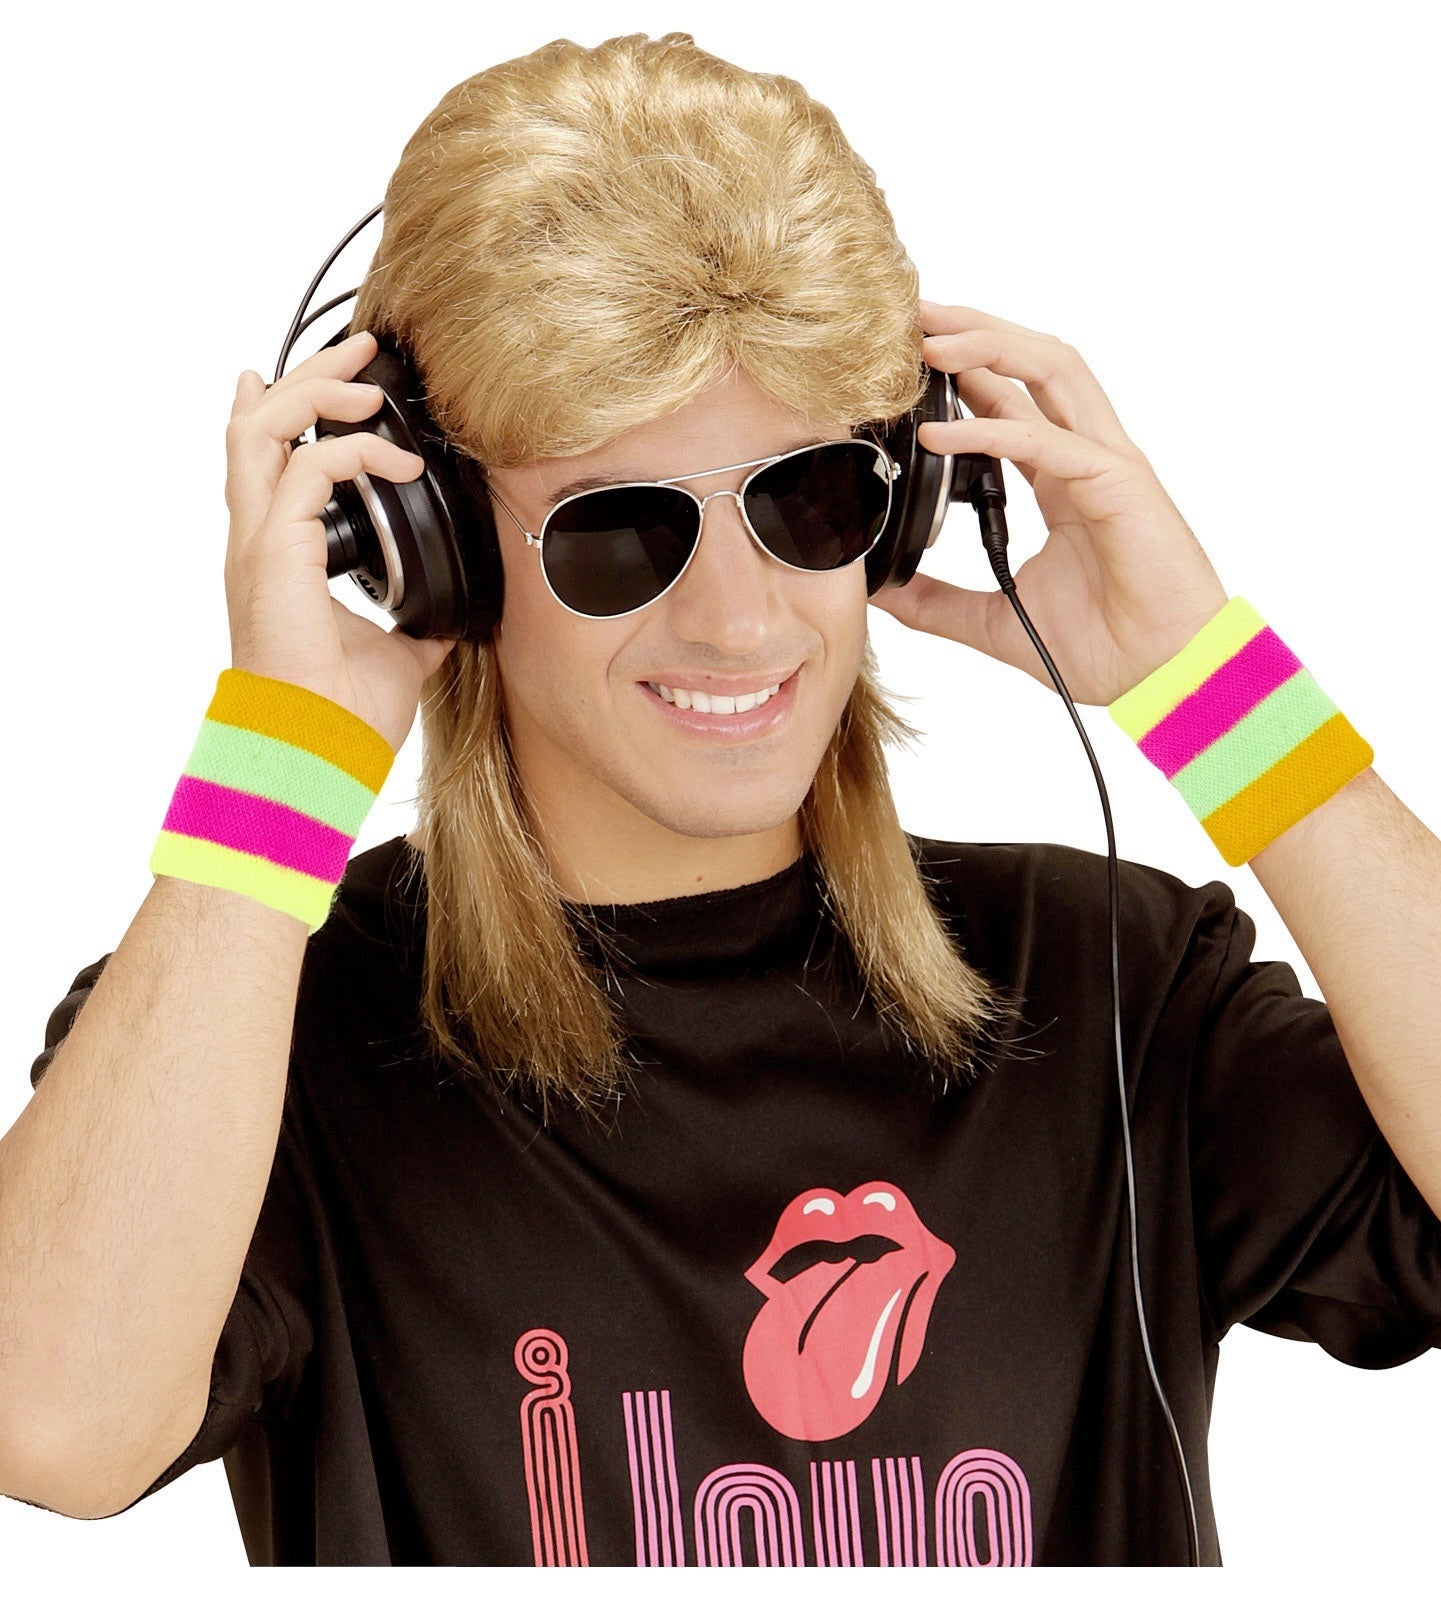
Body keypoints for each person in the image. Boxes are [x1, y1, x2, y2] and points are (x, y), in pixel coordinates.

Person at [3, 31, 1439, 1568]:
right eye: (616, 532)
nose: (740, 622)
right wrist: (279, 765)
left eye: (805, 497)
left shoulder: (1106, 977)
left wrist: (1215, 689)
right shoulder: (261, 1024)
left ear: (904, 499)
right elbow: (58, 1429)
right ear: (434, 546)